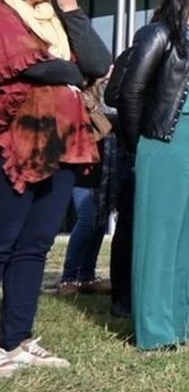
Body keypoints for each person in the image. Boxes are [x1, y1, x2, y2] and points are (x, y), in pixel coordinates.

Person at [0, 0, 110, 376]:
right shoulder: (6, 14)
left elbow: (98, 63)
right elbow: (39, 65)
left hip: (63, 141)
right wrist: (69, 69)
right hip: (16, 140)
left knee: (35, 245)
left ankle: (16, 339)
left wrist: (71, 11)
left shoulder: (57, 17)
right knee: (4, 241)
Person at [112, 0, 189, 348]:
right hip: (168, 137)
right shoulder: (159, 33)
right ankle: (156, 332)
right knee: (159, 236)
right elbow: (130, 91)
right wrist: (141, 143)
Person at [55, 75, 114, 296]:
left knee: (98, 223)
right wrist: (94, 109)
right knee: (88, 219)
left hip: (101, 169)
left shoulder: (102, 97)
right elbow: (105, 127)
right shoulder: (79, 97)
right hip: (82, 168)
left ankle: (86, 276)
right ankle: (69, 277)